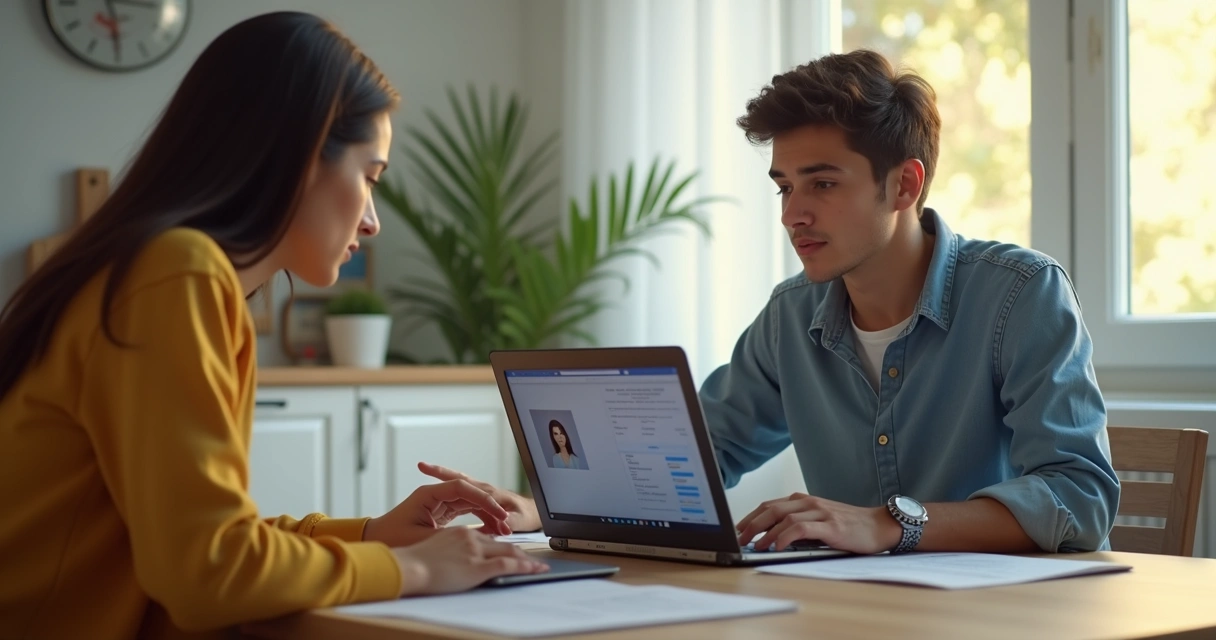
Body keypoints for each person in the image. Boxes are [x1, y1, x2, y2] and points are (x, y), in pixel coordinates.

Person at [429, 49, 1120, 557]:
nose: (794, 214)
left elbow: (1080, 497)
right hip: (854, 614)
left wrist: (887, 522)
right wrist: (538, 508)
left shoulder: (1019, 295)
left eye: (822, 184)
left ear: (905, 185)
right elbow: (699, 452)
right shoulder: (794, 314)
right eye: (784, 186)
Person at [0, 12, 544, 640]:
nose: (372, 222)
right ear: (300, 156)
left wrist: (372, 535)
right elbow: (210, 573)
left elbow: (211, 544)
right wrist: (409, 569)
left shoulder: (165, 270)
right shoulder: (177, 274)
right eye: (369, 178)